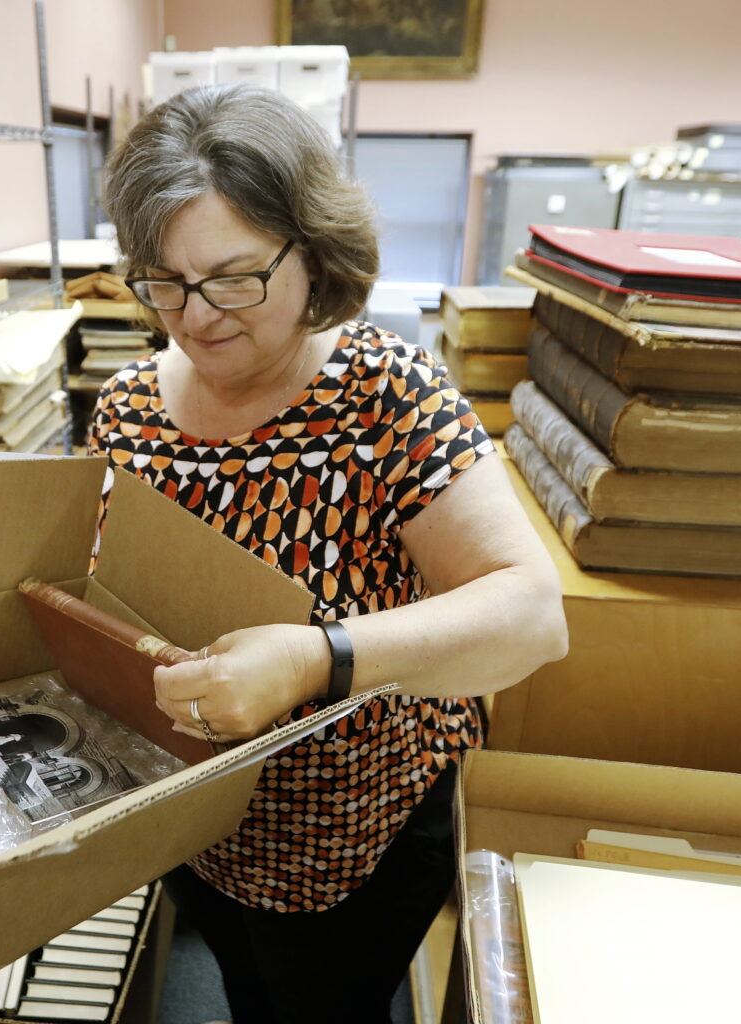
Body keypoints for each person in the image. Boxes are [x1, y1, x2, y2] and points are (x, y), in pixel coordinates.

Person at [89, 83, 567, 1024]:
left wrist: (320, 657)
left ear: (313, 253)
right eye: (165, 282)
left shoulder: (385, 394)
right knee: (242, 990)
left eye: (235, 277)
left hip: (357, 835)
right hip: (199, 824)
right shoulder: (127, 406)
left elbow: (531, 615)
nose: (198, 316)